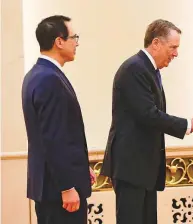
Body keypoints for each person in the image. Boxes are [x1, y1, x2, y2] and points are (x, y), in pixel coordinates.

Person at [100, 19, 193, 224]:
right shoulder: (134, 69)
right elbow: (148, 114)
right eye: (173, 47)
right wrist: (188, 125)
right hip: (131, 167)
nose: (176, 53)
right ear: (156, 43)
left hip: (143, 168)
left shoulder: (149, 70)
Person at [22, 15, 96, 224]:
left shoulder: (37, 74)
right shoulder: (49, 79)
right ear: (59, 41)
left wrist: (81, 167)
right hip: (58, 192)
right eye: (74, 37)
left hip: (50, 187)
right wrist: (67, 186)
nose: (77, 43)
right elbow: (53, 138)